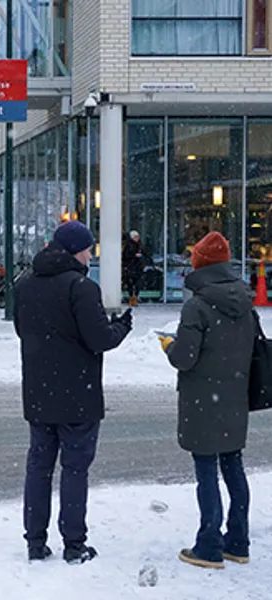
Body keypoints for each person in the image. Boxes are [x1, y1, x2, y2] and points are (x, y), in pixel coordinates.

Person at [14, 220, 133, 564]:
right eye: (88, 249)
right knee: (75, 468)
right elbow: (100, 340)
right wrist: (121, 327)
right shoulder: (81, 288)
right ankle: (74, 543)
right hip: (78, 393)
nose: (90, 255)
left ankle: (35, 542)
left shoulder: (26, 285)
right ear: (77, 251)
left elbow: (24, 331)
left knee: (39, 467)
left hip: (38, 391)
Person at [159, 232, 255, 569]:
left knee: (206, 472)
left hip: (202, 400)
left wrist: (169, 346)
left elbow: (184, 357)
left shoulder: (197, 306)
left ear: (200, 263)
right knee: (233, 469)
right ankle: (238, 542)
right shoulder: (245, 303)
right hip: (234, 398)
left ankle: (209, 545)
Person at [122, 230, 145, 306]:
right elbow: (125, 256)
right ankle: (132, 299)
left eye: (138, 237)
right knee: (130, 285)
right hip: (130, 267)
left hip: (138, 268)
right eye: (135, 237)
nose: (137, 238)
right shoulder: (128, 246)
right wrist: (134, 256)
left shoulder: (140, 245)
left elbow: (145, 253)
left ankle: (135, 298)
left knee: (138, 284)